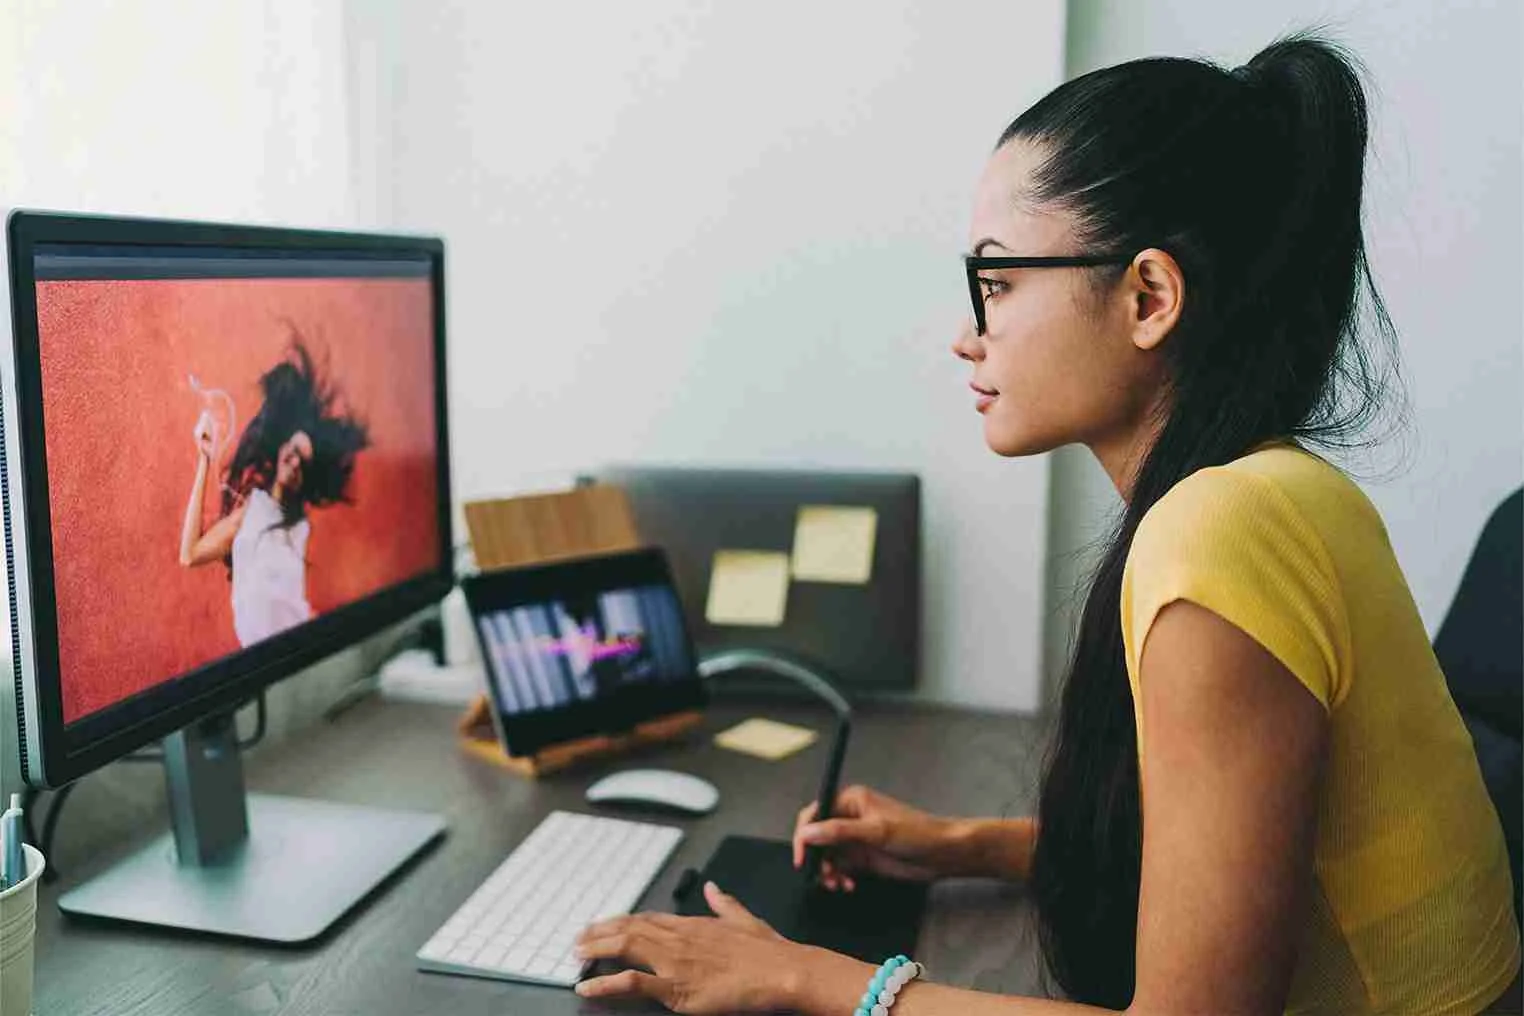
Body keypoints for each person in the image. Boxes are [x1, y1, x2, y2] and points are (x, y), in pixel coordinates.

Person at [569, 33, 1523, 1016]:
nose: (966, 328)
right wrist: (959, 844)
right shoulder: (1285, 486)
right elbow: (1238, 850)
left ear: (1147, 296)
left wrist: (812, 977)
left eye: (998, 281)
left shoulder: (1217, 534)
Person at [179, 335, 369, 647]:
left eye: (303, 465)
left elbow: (288, 602)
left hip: (294, 651)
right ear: (281, 446)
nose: (294, 463)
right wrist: (204, 460)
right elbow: (190, 555)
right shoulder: (253, 510)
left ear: (306, 480)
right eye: (293, 451)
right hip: (263, 657)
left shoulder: (300, 527)